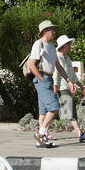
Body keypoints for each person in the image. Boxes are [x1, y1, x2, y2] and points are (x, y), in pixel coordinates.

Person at [23, 19, 62, 148]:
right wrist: (41, 78)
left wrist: (68, 79)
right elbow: (31, 64)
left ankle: (41, 140)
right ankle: (41, 133)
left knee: (43, 111)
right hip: (43, 79)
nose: (54, 32)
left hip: (48, 78)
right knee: (54, 107)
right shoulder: (38, 44)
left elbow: (58, 65)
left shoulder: (51, 47)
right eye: (52, 29)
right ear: (45, 31)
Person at [54, 35, 85, 143]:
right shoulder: (57, 57)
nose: (70, 46)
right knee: (67, 109)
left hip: (66, 87)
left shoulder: (68, 58)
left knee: (65, 110)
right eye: (68, 44)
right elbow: (56, 73)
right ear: (63, 46)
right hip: (61, 87)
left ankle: (44, 131)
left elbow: (72, 74)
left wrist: (80, 85)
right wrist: (55, 87)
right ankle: (80, 133)